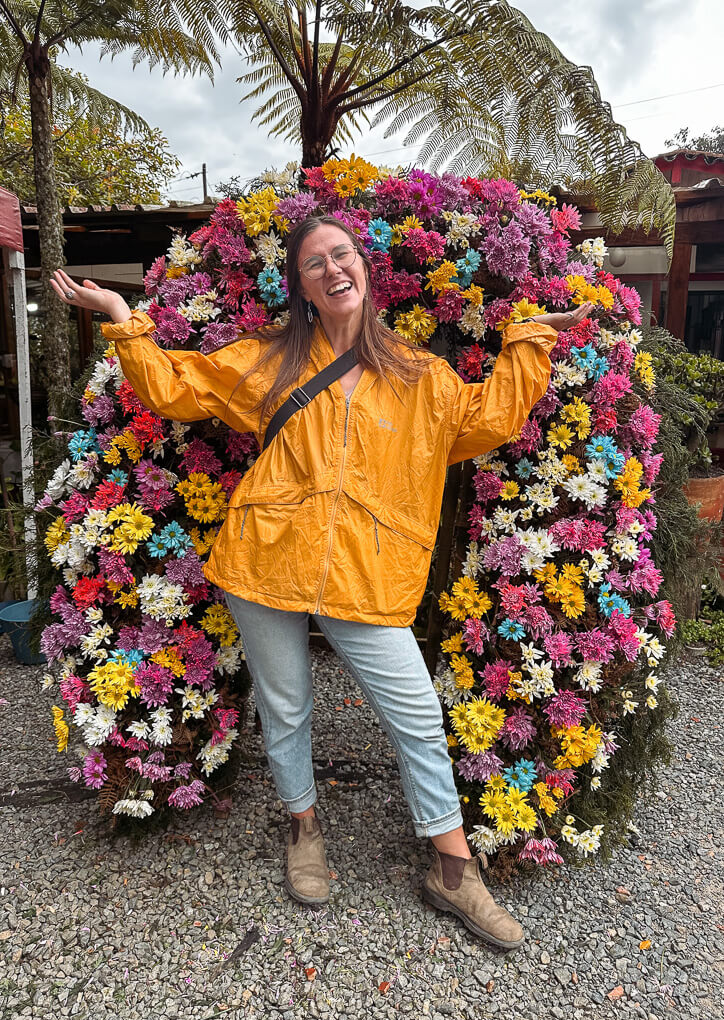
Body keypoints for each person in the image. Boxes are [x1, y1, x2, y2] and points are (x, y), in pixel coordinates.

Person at [51, 217, 592, 950]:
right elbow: (180, 386)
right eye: (314, 264)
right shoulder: (270, 362)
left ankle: (453, 871)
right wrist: (124, 323)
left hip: (368, 575)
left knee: (418, 720)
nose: (333, 269)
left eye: (342, 255)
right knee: (287, 705)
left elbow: (489, 416)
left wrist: (525, 339)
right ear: (301, 287)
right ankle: (303, 827)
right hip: (264, 557)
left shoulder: (419, 376)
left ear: (363, 269)